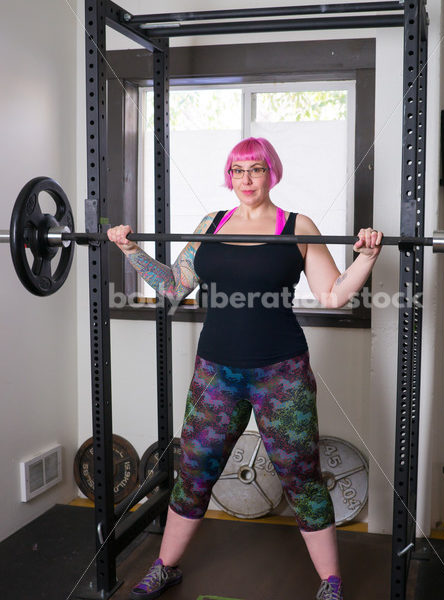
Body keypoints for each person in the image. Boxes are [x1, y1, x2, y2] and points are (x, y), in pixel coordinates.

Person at [107, 137, 382, 600]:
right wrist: (130, 250)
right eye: (237, 171)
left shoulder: (298, 226)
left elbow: (333, 294)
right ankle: (164, 567)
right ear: (229, 177)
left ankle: (330, 583)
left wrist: (368, 257)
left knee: (300, 476)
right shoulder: (209, 225)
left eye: (255, 169)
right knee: (194, 471)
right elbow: (174, 287)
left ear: (271, 172)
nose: (246, 179)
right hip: (215, 373)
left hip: (282, 375)